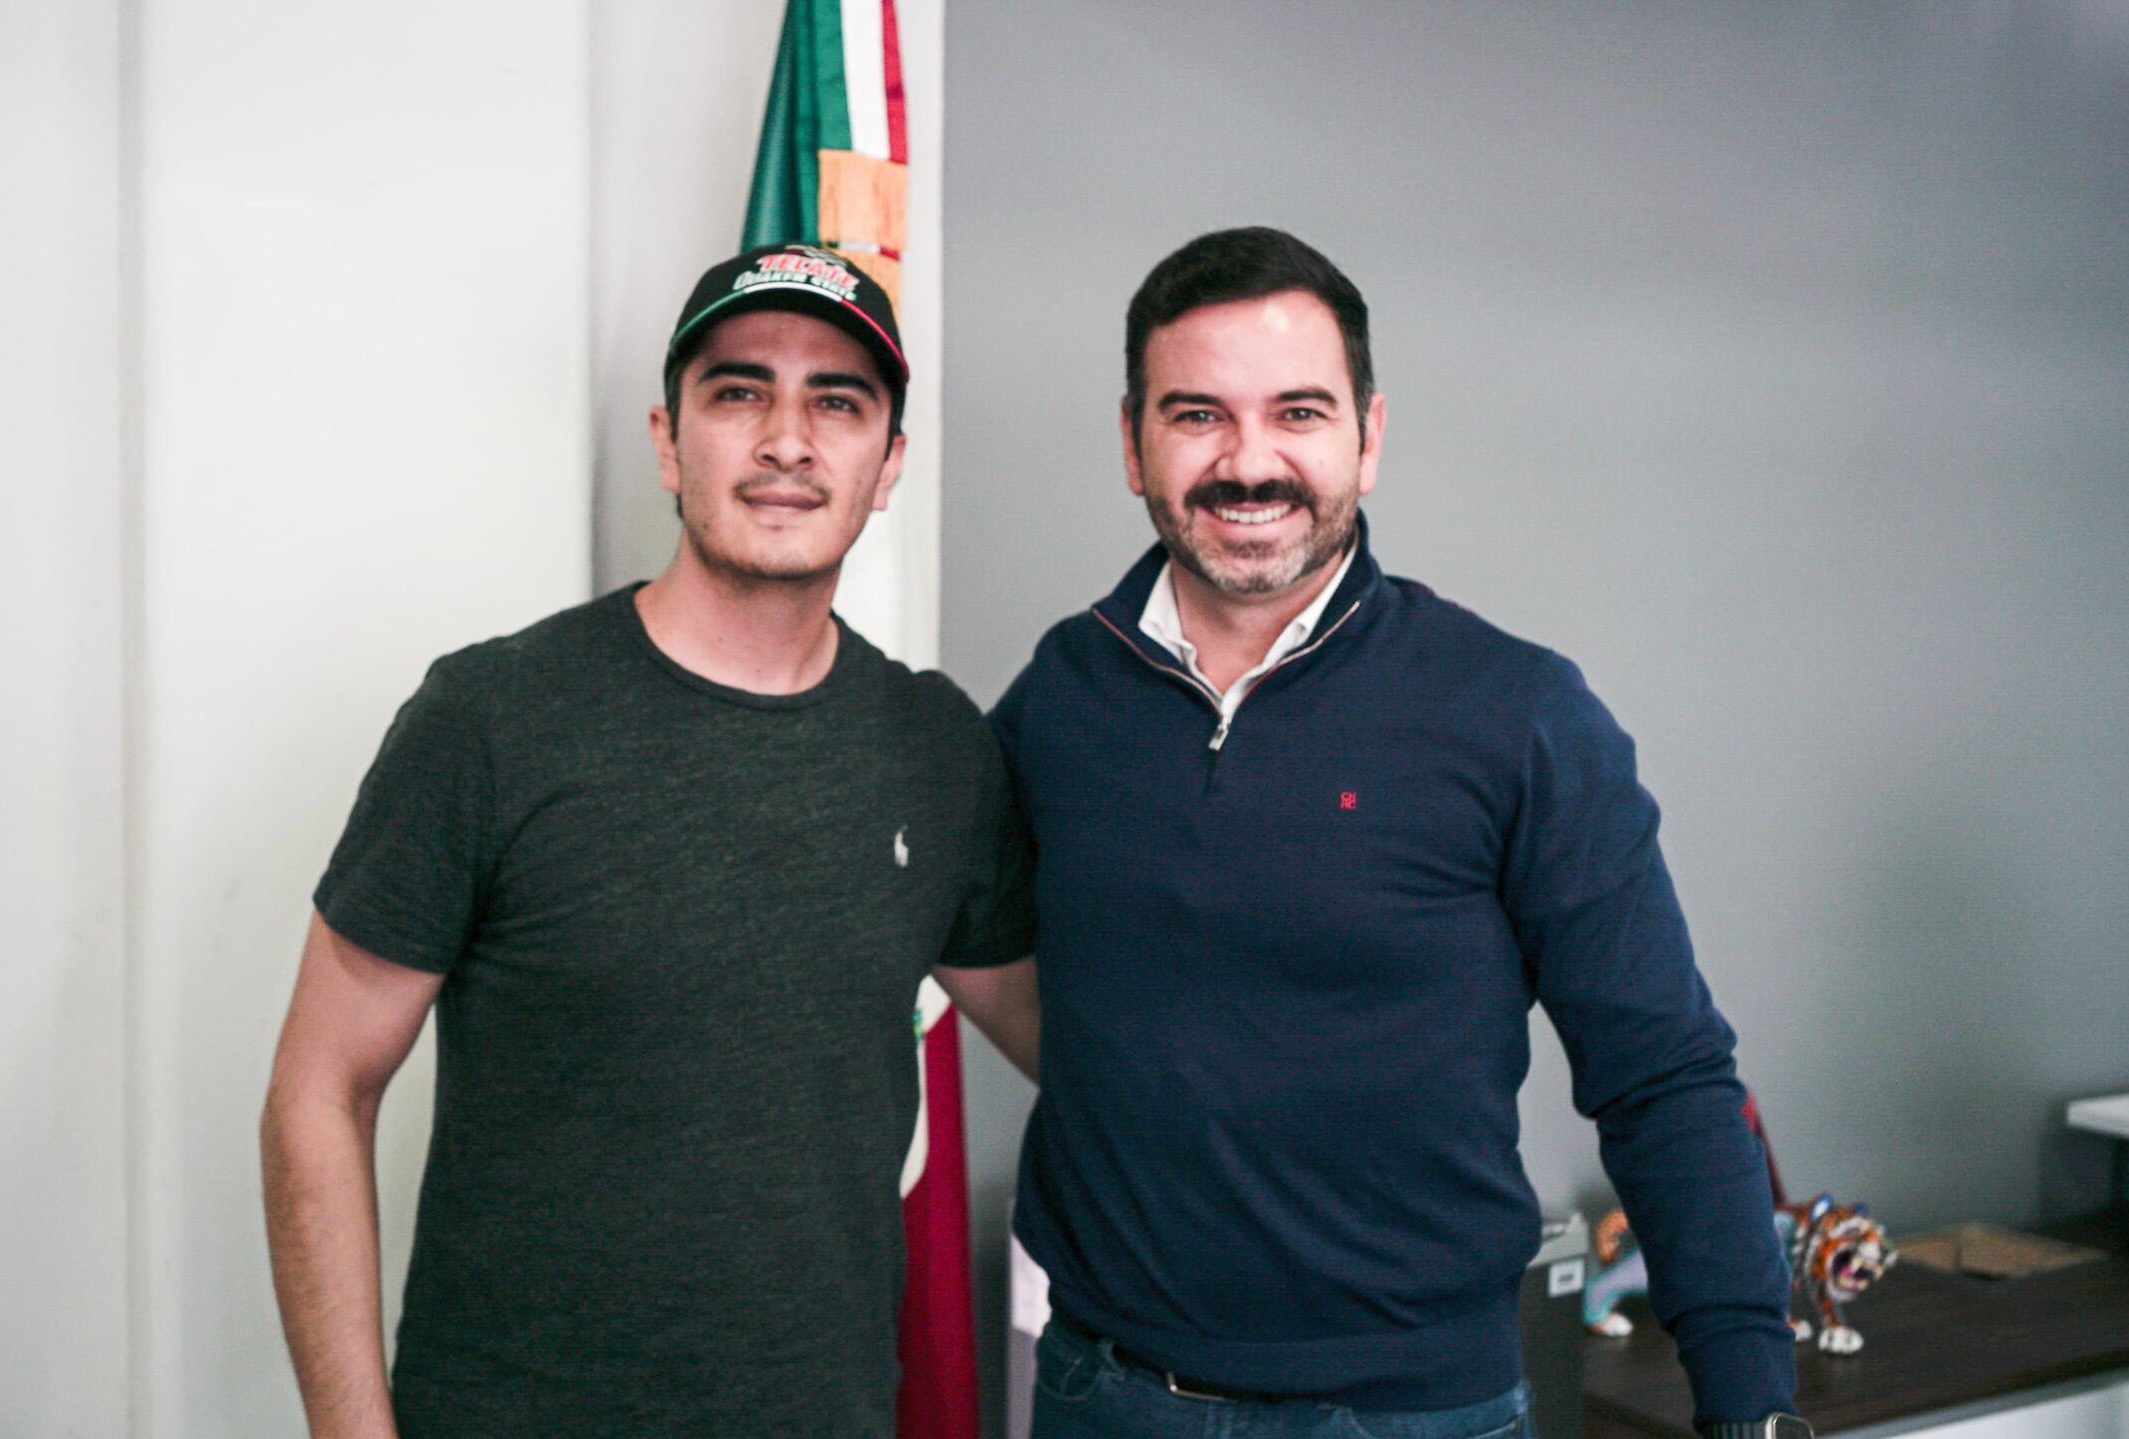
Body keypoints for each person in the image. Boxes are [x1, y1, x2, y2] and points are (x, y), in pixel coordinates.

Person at [988, 228, 1802, 1439]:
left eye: (1298, 413)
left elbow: (1663, 1070)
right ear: (1131, 441)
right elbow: (974, 936)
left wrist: (1749, 1401)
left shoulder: (1515, 710)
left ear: (1367, 438)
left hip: (1410, 1412)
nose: (1248, 460)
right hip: (1102, 1391)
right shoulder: (1062, 692)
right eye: (1198, 414)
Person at [260, 243, 1042, 1439]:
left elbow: (1087, 1046)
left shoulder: (936, 747)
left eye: (837, 402)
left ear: (887, 463)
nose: (787, 439)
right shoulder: (492, 718)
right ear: (669, 442)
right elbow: (319, 1087)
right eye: (738, 392)